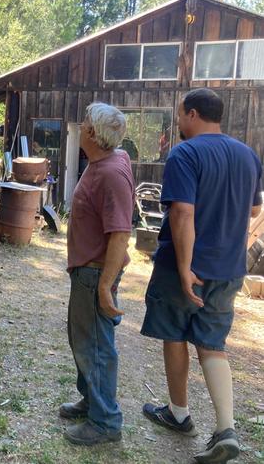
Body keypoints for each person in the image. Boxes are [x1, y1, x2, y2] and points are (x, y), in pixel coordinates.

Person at [140, 88, 262, 464]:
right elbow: (256, 208)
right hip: (228, 269)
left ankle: (179, 413)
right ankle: (225, 428)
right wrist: (236, 245)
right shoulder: (248, 155)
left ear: (192, 114)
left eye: (179, 114)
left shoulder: (185, 153)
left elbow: (182, 213)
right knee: (212, 344)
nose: (178, 122)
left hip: (187, 266)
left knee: (174, 334)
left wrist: (183, 267)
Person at [62, 102, 135, 445]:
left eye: (85, 120)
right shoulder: (108, 160)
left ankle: (105, 422)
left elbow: (121, 231)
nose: (81, 123)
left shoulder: (110, 172)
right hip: (87, 271)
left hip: (94, 276)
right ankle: (92, 400)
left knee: (96, 348)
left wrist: (106, 285)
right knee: (82, 341)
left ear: (92, 133)